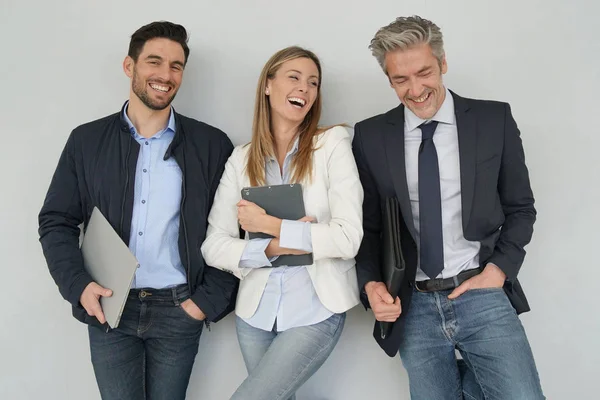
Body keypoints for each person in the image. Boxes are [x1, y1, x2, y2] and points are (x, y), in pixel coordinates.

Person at [38, 21, 237, 400]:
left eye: (176, 66)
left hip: (180, 308)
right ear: (130, 66)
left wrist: (205, 303)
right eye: (154, 62)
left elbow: (234, 230)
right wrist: (78, 286)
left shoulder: (212, 145)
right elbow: (56, 220)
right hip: (109, 307)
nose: (165, 75)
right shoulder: (87, 140)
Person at [352, 15, 545, 400]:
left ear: (442, 63)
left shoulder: (494, 120)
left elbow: (521, 207)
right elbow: (369, 228)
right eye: (400, 80)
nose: (415, 89)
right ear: (389, 80)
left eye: (423, 72)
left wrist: (498, 272)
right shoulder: (370, 135)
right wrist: (370, 284)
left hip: (481, 293)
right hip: (414, 304)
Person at [201, 46, 363, 400]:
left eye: (313, 83)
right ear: (268, 86)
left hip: (316, 308)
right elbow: (214, 245)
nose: (304, 89)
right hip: (254, 315)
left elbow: (348, 238)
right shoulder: (240, 159)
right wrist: (276, 246)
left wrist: (269, 224)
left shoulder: (332, 144)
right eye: (294, 77)